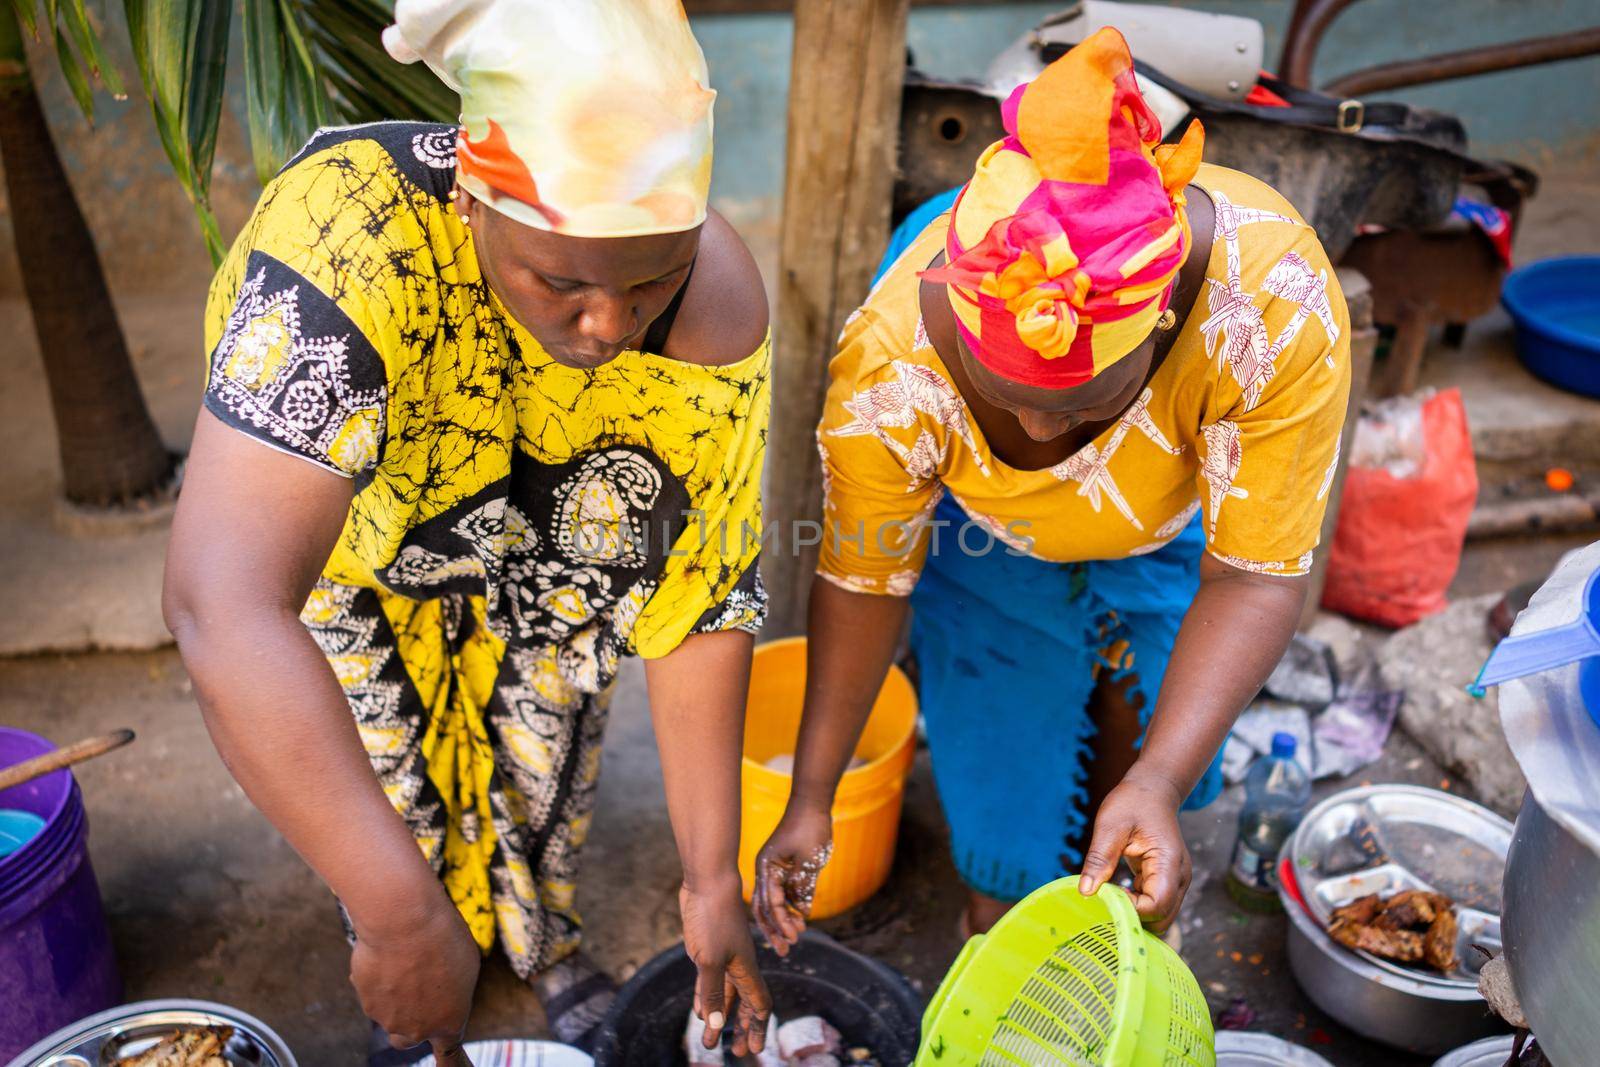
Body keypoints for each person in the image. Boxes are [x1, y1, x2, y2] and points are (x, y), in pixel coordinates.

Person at [162, 1, 773, 1059]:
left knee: (551, 765)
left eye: (648, 278)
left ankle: (543, 942)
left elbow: (697, 591)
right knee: (386, 785)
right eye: (562, 280)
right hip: (356, 547)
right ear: (471, 194)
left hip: (550, 545)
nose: (607, 327)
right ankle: (412, 959)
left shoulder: (711, 307)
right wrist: (397, 915)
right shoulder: (342, 250)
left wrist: (711, 874)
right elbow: (223, 601)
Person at [753, 28, 1350, 950]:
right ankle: (1009, 924)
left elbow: (1254, 576)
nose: (1040, 434)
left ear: (1161, 327)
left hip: (1174, 538)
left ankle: (1116, 903)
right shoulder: (891, 367)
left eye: (1080, 408)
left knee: (1150, 785)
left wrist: (1154, 780)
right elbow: (866, 577)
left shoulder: (1268, 306)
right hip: (986, 552)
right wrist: (811, 795)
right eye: (1008, 398)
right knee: (1005, 854)